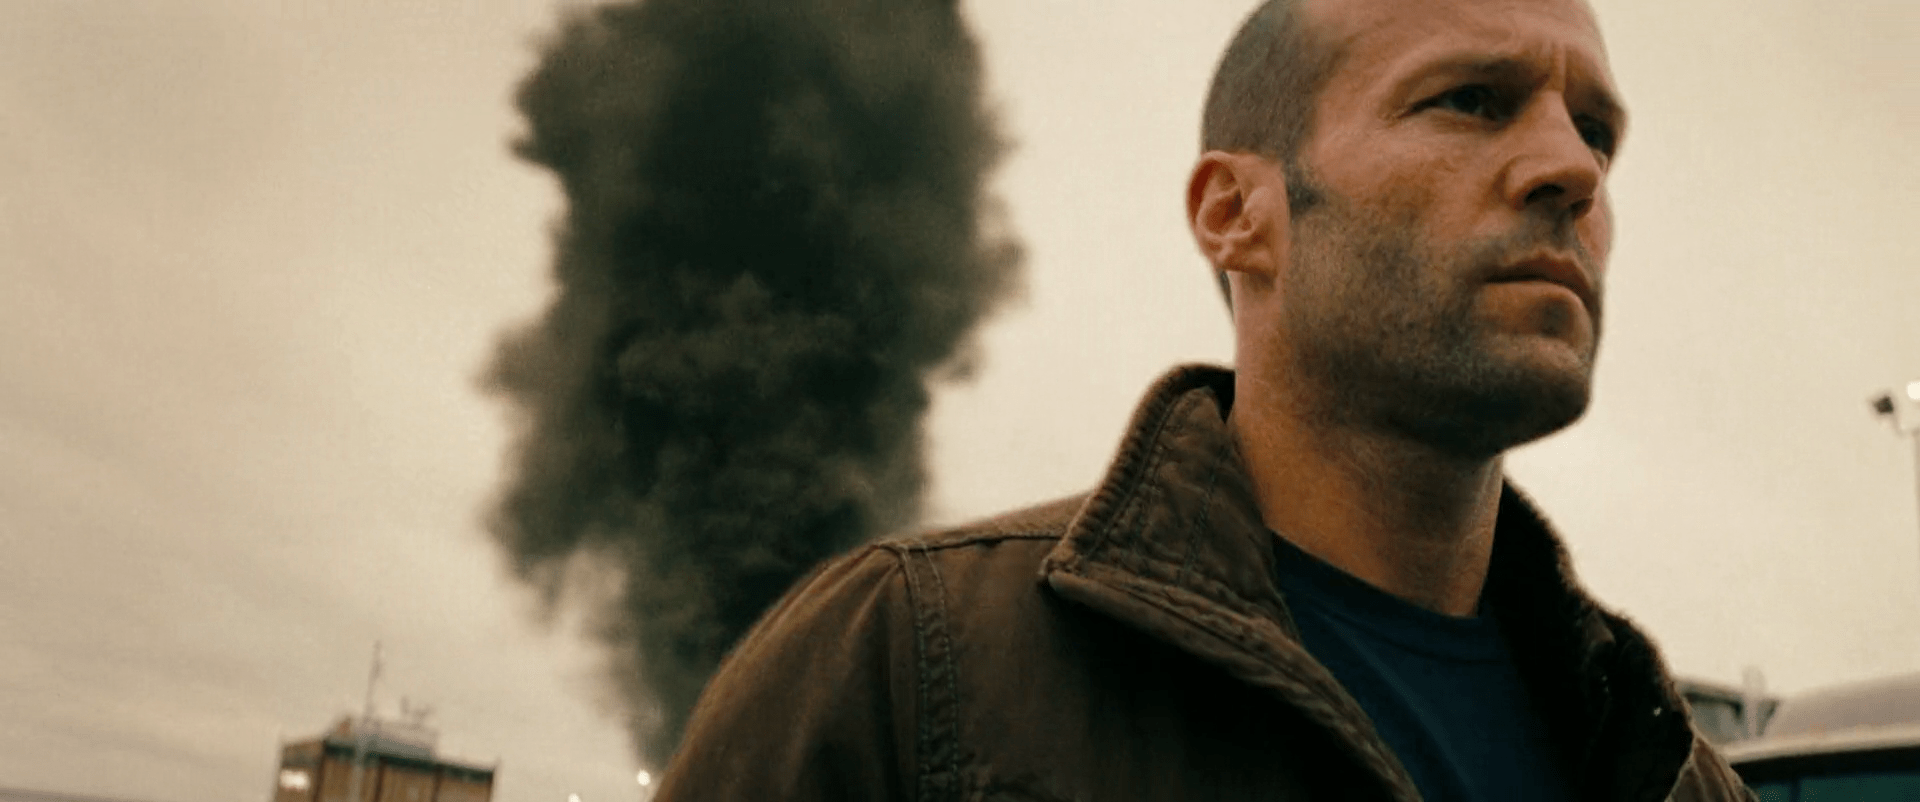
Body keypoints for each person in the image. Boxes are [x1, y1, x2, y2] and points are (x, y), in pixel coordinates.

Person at [654, 0, 1755, 798]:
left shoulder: (1681, 783)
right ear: (1236, 213)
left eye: (1597, 130)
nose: (1575, 170)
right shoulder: (903, 668)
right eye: (1471, 100)